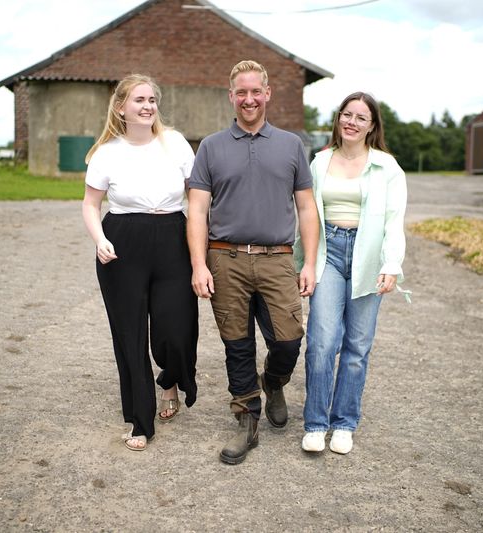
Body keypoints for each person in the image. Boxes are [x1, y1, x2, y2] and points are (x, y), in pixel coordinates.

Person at [187, 60, 319, 465]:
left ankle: (274, 382)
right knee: (236, 344)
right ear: (231, 96)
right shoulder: (210, 146)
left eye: (255, 91)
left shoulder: (292, 144)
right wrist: (198, 264)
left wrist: (309, 262)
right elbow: (196, 210)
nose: (248, 99)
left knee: (288, 339)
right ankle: (247, 419)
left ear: (267, 94)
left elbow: (307, 208)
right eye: (241, 92)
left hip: (278, 258)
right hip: (225, 258)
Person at [81, 74, 199, 452]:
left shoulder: (175, 143)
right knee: (130, 336)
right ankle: (139, 420)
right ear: (121, 107)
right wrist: (100, 239)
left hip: (171, 237)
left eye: (151, 99)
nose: (148, 106)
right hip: (122, 241)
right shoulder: (106, 152)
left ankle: (170, 379)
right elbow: (90, 204)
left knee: (176, 329)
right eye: (139, 100)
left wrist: (200, 255)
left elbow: (197, 198)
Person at [294, 91, 408, 455]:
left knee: (357, 346)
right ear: (338, 119)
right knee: (322, 341)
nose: (352, 122)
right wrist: (305, 263)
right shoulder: (319, 162)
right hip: (328, 251)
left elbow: (393, 221)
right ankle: (315, 424)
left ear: (372, 125)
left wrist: (391, 264)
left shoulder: (387, 167)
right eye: (347, 114)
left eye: (361, 117)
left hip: (367, 256)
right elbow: (306, 214)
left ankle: (344, 423)